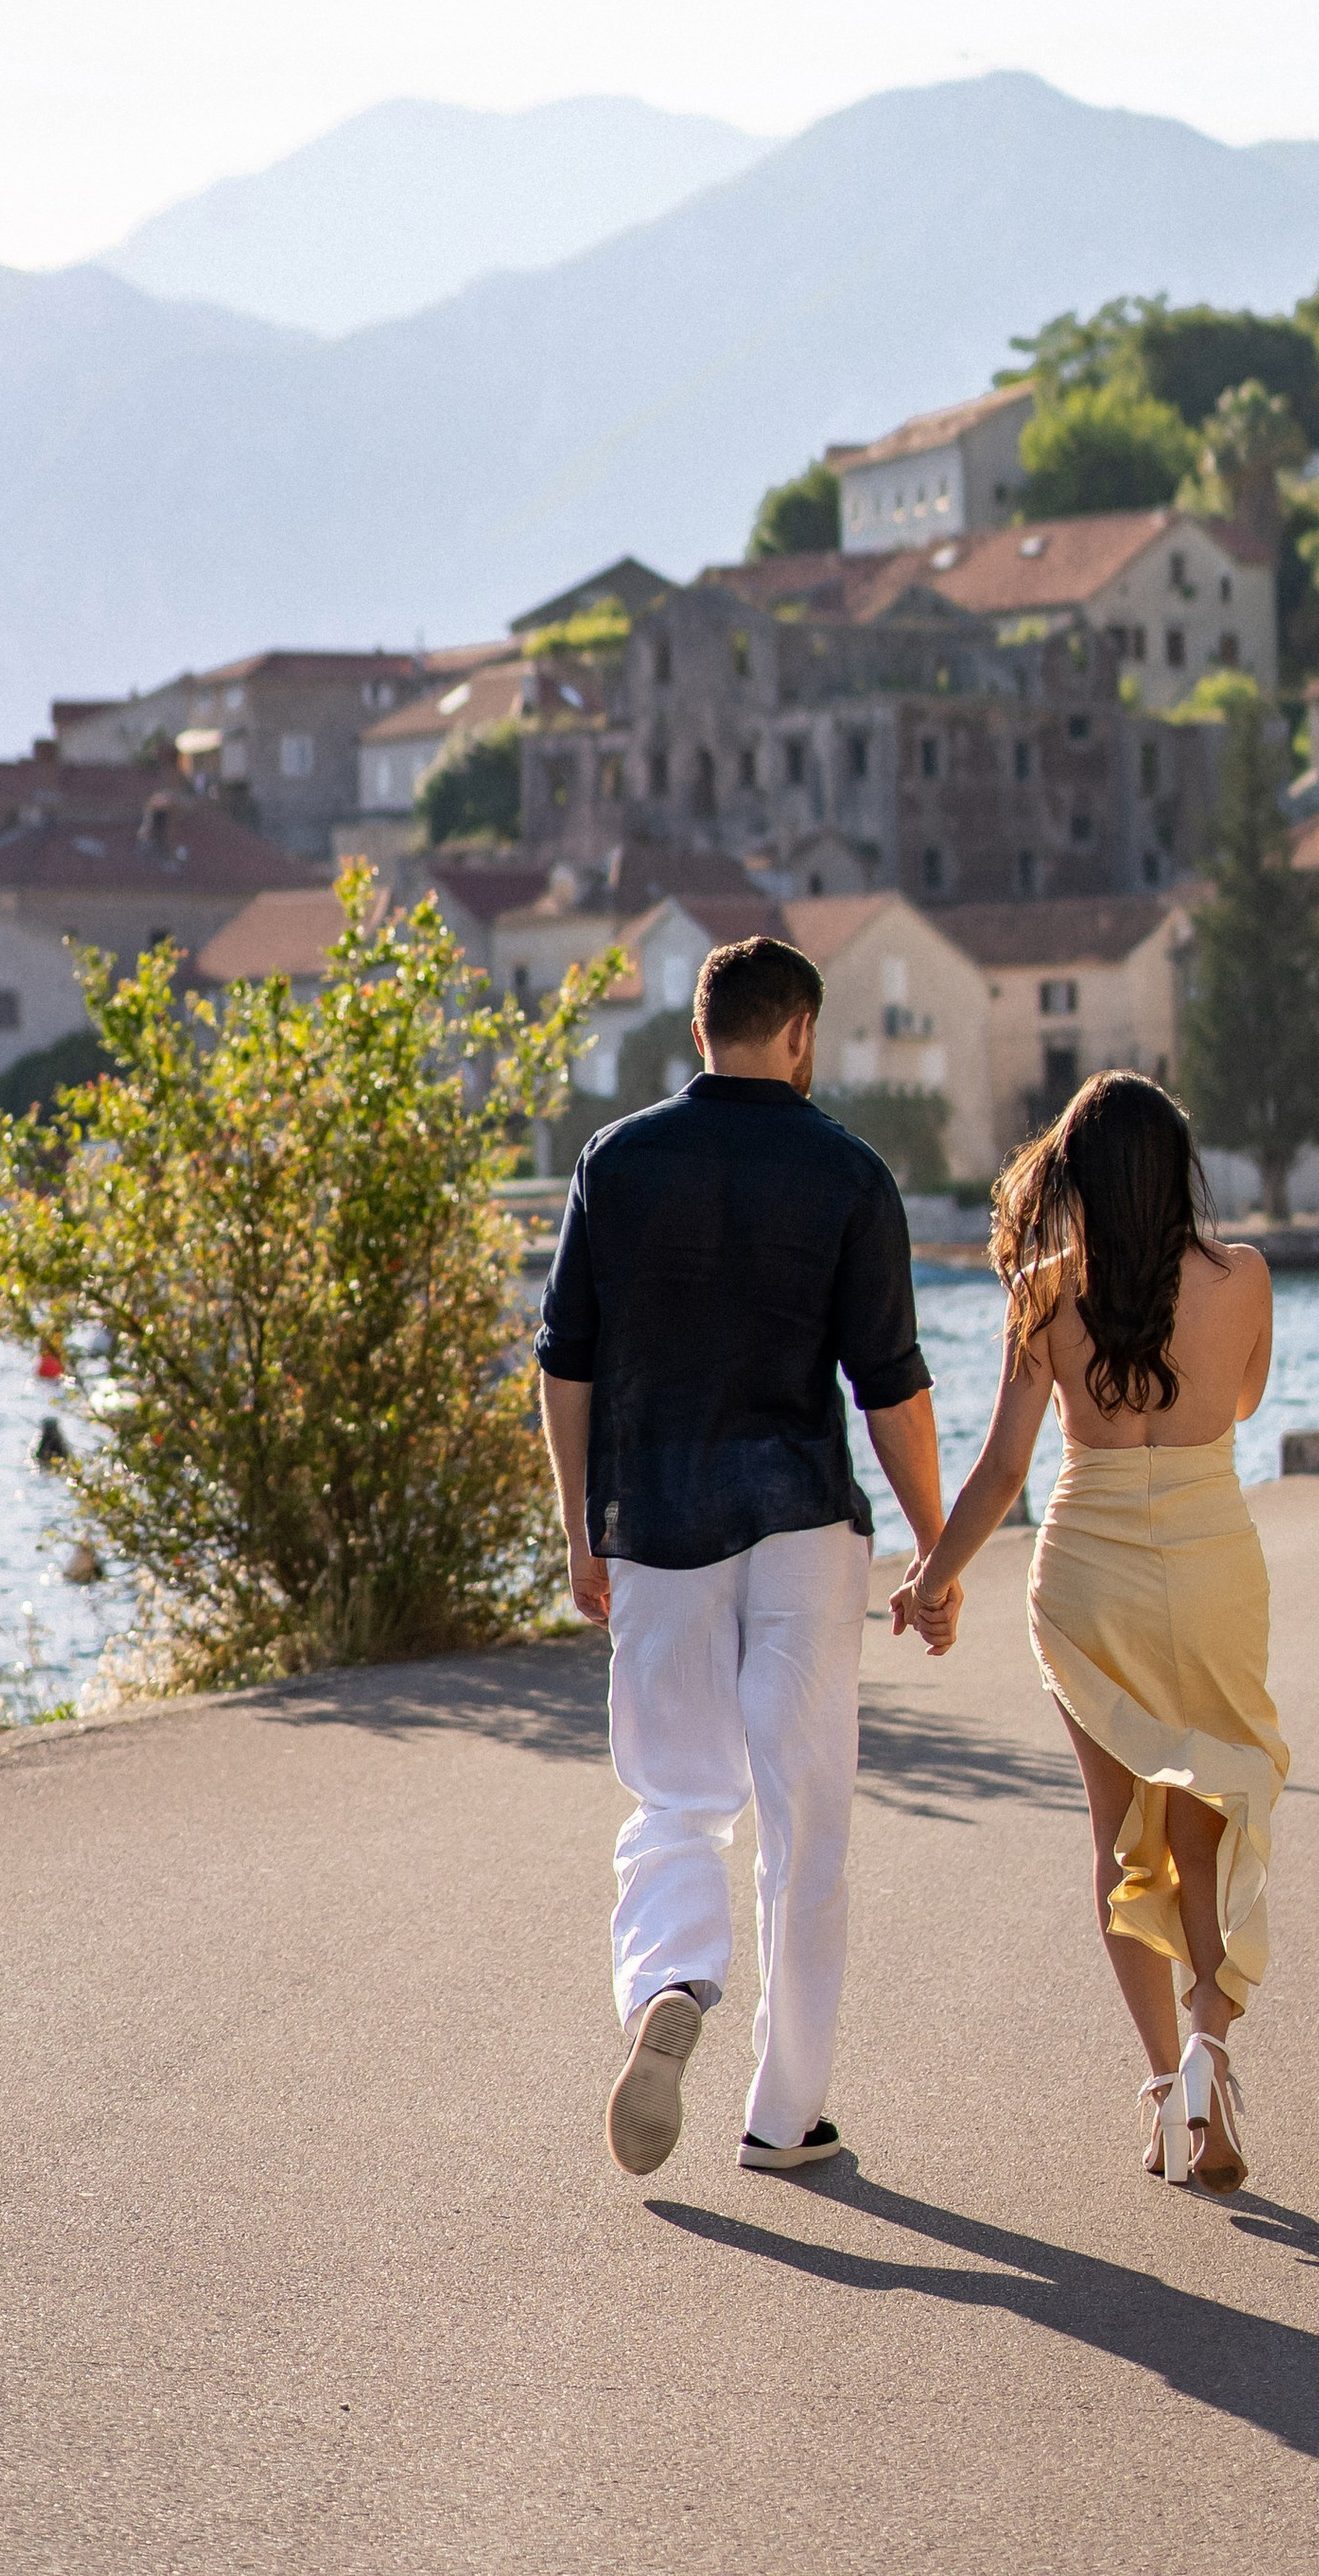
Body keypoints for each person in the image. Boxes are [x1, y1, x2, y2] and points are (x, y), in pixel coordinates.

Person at [537, 932, 950, 2181]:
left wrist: (576, 1524)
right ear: (802, 1032)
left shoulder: (617, 1161)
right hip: (804, 1528)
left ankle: (670, 1978)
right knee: (804, 1824)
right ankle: (783, 2118)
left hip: (658, 1529)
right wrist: (936, 1544)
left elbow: (565, 1362)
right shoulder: (848, 1173)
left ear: (699, 1028)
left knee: (674, 1795)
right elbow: (892, 1391)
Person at [895, 1072, 1285, 2190]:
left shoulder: (1038, 1290)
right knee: (1215, 1821)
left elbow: (1005, 1468)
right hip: (1210, 1563)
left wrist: (933, 1579)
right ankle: (1211, 2053)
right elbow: (1247, 1404)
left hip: (1085, 1577)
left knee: (1120, 1839)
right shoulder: (1244, 1277)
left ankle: (1166, 2090)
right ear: (1176, 1169)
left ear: (1075, 1174)